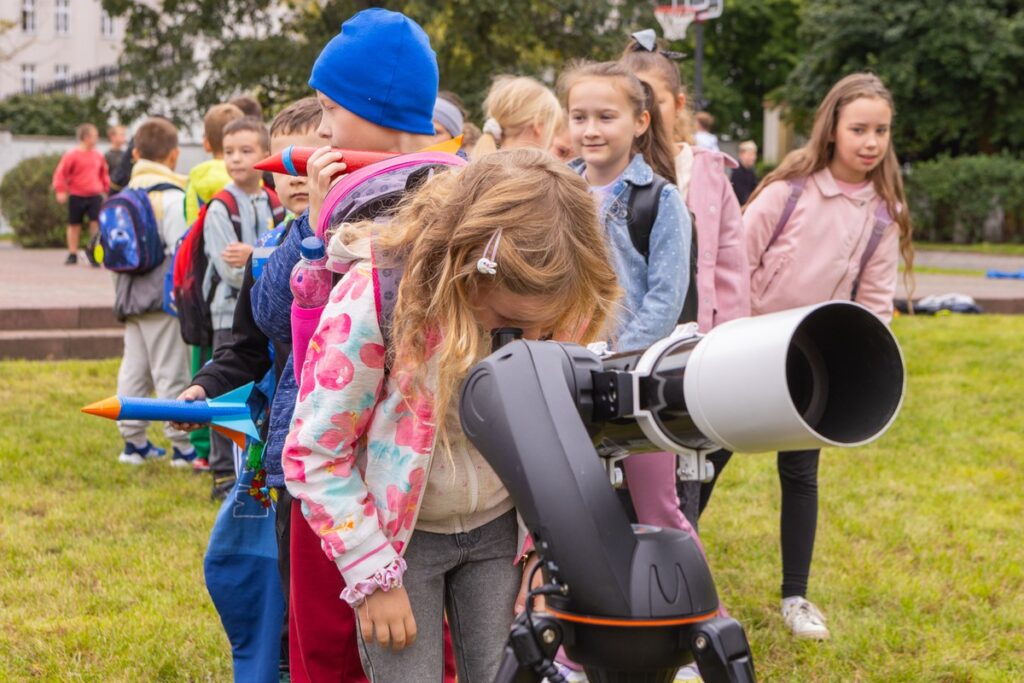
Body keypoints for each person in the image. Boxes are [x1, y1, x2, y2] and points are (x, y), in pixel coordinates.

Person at [284, 147, 620, 683]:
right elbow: (315, 452)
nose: (531, 340)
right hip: (397, 546)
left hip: (501, 538)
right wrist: (372, 572)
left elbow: (564, 441)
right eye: (509, 322)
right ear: (465, 268)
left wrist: (544, 552)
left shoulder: (560, 299)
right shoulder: (379, 296)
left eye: (545, 325)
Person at [249, 9, 455, 681]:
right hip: (321, 464)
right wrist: (312, 223)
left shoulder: (449, 202)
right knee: (327, 643)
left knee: (411, 639)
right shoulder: (327, 201)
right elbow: (272, 313)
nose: (326, 125)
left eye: (335, 107)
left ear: (378, 108)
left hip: (406, 474)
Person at [704, 72, 914, 641]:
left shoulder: (881, 215)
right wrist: (730, 339)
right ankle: (666, 571)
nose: (870, 142)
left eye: (881, 131)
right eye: (859, 129)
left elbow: (873, 307)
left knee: (800, 474)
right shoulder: (788, 190)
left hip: (809, 359)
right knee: (705, 459)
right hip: (747, 351)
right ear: (832, 129)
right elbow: (733, 264)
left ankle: (796, 596)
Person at [171, 95, 323, 680]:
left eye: (307, 161)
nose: (294, 179)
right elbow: (245, 345)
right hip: (289, 445)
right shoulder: (268, 257)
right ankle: (286, 660)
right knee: (288, 561)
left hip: (365, 444)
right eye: (281, 168)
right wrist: (203, 388)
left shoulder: (367, 241)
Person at [202, 116, 280, 499]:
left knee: (259, 394)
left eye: (246, 151)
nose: (236, 159)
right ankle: (222, 470)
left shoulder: (273, 199)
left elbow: (250, 261)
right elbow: (231, 272)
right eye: (229, 152)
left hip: (264, 313)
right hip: (227, 312)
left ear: (267, 156)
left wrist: (254, 256)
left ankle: (256, 463)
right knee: (226, 390)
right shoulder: (221, 206)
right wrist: (262, 262)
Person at [111, 117, 195, 465]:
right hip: (162, 298)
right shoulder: (173, 197)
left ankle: (133, 443)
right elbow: (181, 251)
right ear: (174, 155)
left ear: (135, 153)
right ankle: (182, 446)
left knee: (134, 367)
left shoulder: (124, 195)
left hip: (128, 295)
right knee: (170, 369)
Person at [52, 123, 109, 266]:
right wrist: (60, 190)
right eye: (95, 136)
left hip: (95, 195)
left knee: (96, 225)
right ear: (85, 137)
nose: (97, 138)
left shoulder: (98, 156)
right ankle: (72, 254)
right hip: (77, 195)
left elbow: (104, 175)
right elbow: (61, 174)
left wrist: (107, 190)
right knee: (74, 225)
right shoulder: (72, 155)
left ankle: (95, 255)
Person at [470, 75, 562, 158]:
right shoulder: (536, 174)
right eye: (554, 130)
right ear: (537, 125)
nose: (554, 139)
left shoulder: (480, 168)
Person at [731, 140, 759, 205]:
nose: (754, 157)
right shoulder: (737, 173)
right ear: (741, 154)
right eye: (751, 154)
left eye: (755, 154)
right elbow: (742, 197)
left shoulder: (751, 171)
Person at [104, 125, 129, 192]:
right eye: (121, 135)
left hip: (126, 191)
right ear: (113, 137)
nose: (124, 137)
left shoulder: (126, 155)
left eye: (124, 135)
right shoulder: (107, 156)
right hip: (113, 191)